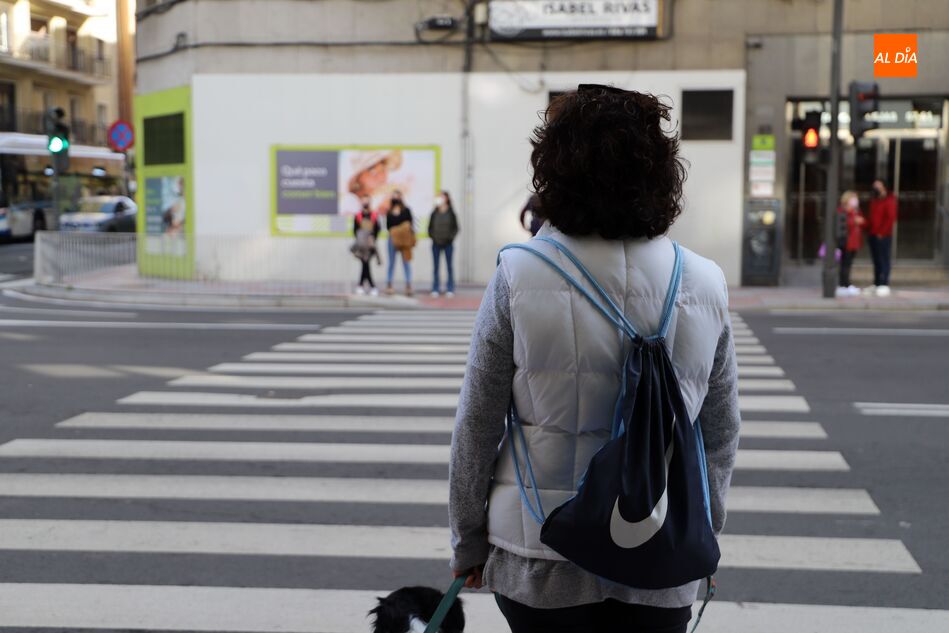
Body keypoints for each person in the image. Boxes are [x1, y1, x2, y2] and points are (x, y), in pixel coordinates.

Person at [449, 85, 741, 632]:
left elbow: (477, 423)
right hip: (659, 557)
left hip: (540, 555)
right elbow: (719, 434)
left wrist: (468, 541)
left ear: (553, 169)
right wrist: (702, 529)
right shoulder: (705, 282)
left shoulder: (518, 274)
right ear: (660, 173)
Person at [865, 179, 898, 297]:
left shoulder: (890, 200)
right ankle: (877, 283)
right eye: (874, 186)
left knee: (884, 259)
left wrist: (882, 232)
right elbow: (871, 217)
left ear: (883, 187)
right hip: (872, 234)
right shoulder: (874, 200)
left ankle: (884, 284)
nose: (875, 188)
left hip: (883, 236)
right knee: (876, 260)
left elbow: (890, 218)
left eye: (877, 186)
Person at [429, 191, 460, 297]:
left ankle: (450, 288)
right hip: (436, 244)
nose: (440, 199)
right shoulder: (434, 213)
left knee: (449, 266)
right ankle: (435, 288)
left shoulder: (451, 213)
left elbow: (456, 228)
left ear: (447, 198)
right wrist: (433, 237)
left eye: (442, 197)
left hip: (448, 244)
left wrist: (450, 238)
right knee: (436, 267)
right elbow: (430, 228)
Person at [835, 190, 865, 297]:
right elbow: (844, 224)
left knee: (848, 264)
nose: (855, 201)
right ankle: (844, 284)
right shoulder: (842, 210)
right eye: (853, 198)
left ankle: (846, 284)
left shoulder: (856, 211)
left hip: (854, 242)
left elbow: (863, 222)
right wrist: (854, 220)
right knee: (845, 264)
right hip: (846, 242)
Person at [385, 190, 415, 296]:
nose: (396, 199)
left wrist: (400, 228)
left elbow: (409, 223)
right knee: (391, 263)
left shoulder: (406, 210)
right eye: (394, 197)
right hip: (393, 239)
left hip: (404, 239)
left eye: (397, 196)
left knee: (406, 262)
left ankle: (408, 284)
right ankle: (389, 284)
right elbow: (388, 226)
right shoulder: (389, 211)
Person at [352, 196, 381, 296]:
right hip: (361, 245)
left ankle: (362, 285)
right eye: (363, 200)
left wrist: (372, 239)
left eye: (367, 200)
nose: (365, 202)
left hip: (370, 245)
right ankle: (370, 286)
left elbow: (378, 229)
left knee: (366, 264)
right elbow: (355, 230)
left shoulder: (374, 215)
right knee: (365, 264)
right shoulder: (358, 216)